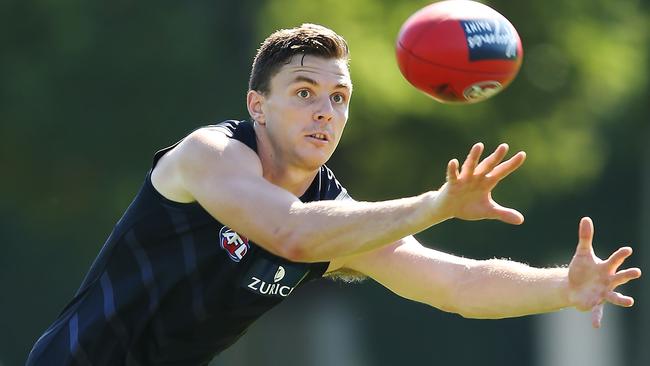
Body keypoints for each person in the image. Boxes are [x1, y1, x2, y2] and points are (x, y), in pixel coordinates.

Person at [27, 23, 641, 366]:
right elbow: (289, 232)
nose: (325, 111)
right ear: (256, 105)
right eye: (303, 92)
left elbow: (456, 283)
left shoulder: (337, 220)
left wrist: (563, 288)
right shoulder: (207, 156)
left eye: (339, 98)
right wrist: (436, 204)